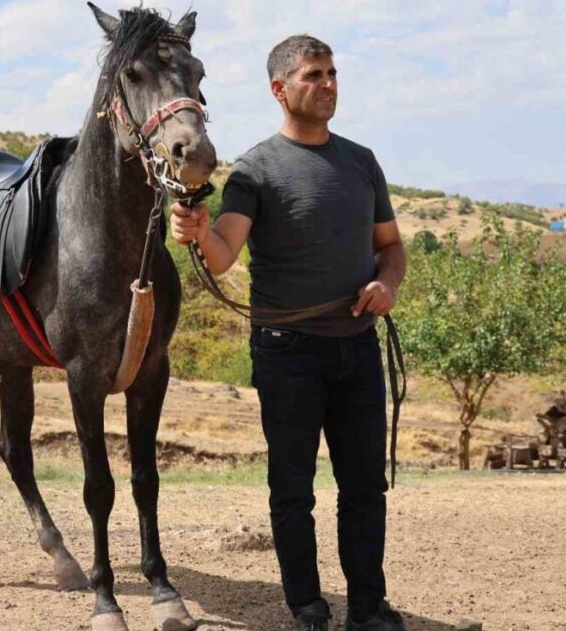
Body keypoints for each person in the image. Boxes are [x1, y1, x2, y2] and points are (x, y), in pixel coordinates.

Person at [169, 35, 407, 631]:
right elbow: (223, 255)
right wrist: (197, 229)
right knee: (292, 490)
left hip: (356, 344)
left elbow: (391, 248)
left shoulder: (362, 161)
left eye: (331, 73)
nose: (327, 84)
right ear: (280, 89)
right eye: (312, 75)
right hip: (287, 353)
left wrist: (389, 284)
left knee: (364, 488)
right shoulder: (255, 169)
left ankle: (368, 609)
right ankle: (307, 607)